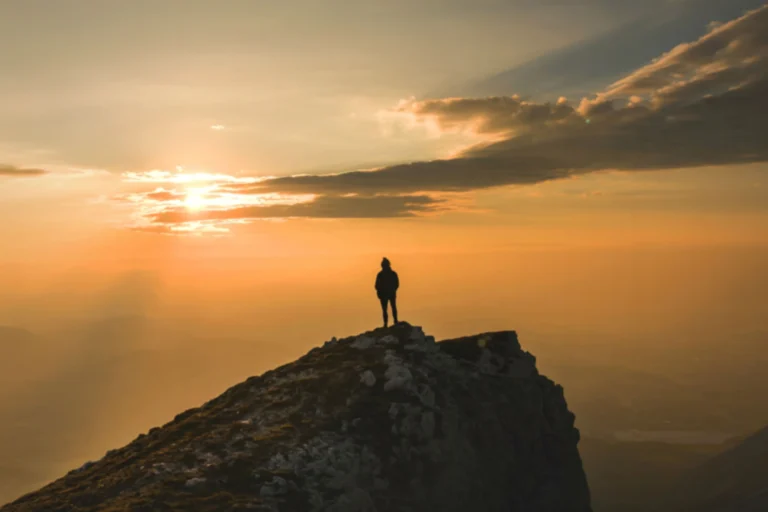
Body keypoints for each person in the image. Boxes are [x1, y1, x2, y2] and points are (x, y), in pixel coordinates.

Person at [375, 257, 399, 327]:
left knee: (386, 309)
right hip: (390, 294)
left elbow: (376, 286)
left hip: (385, 294)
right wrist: (393, 290)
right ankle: (395, 321)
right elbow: (397, 284)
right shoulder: (393, 274)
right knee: (392, 307)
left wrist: (380, 292)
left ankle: (386, 324)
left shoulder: (380, 275)